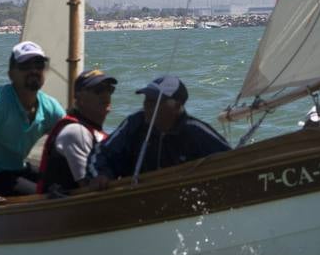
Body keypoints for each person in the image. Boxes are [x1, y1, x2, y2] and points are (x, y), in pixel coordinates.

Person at [0, 41, 66, 203]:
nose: (33, 70)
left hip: (17, 169)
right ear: (11, 74)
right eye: (24, 66)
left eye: (39, 64)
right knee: (43, 195)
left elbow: (70, 136)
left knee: (64, 185)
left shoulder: (50, 107)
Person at [89, 75, 230, 181]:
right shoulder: (135, 123)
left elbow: (230, 160)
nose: (147, 106)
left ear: (177, 106)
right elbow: (101, 153)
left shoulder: (196, 132)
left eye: (155, 101)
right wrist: (101, 174)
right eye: (147, 100)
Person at [36, 68, 117, 193]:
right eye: (98, 90)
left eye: (109, 89)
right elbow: (89, 187)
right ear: (79, 97)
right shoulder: (75, 132)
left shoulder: (94, 132)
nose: (105, 95)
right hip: (62, 208)